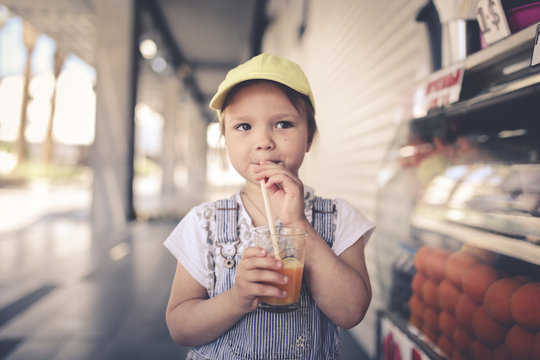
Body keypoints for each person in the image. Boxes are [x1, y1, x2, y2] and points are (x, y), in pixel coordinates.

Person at [164, 53, 375, 359]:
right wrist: (236, 299)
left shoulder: (338, 218)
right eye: (244, 127)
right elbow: (180, 327)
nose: (263, 141)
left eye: (283, 124)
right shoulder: (204, 223)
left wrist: (299, 225)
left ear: (309, 137)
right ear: (225, 139)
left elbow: (351, 311)